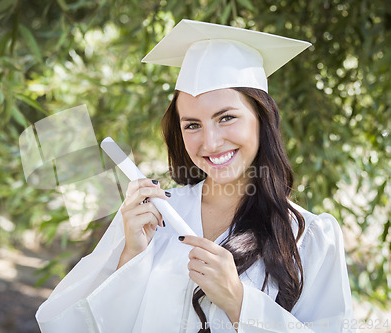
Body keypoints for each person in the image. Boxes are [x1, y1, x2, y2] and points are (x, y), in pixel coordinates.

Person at [36, 19, 354, 332]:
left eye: (226, 117)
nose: (210, 142)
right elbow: (75, 323)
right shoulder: (152, 216)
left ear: (262, 118)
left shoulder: (310, 237)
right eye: (192, 125)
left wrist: (239, 302)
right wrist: (131, 256)